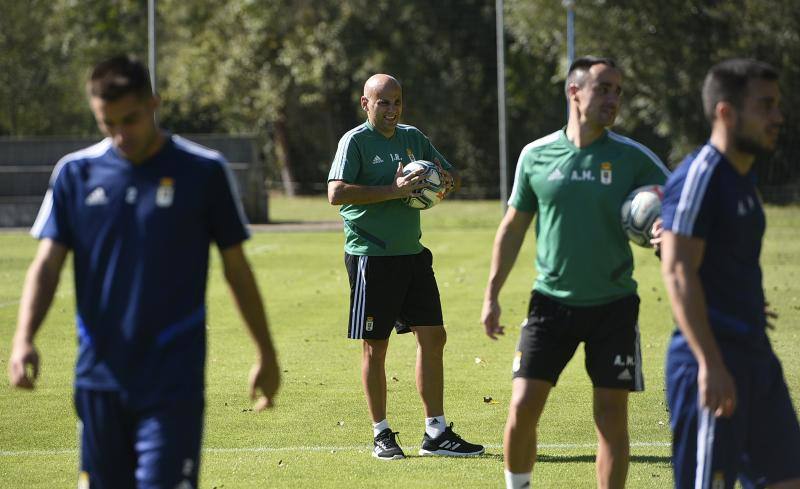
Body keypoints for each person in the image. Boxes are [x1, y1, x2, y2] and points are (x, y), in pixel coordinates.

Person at [7, 55, 280, 489]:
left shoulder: (203, 172)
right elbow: (47, 264)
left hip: (173, 380)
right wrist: (24, 338)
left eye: (130, 120)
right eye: (106, 123)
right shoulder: (75, 175)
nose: (119, 135)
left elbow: (237, 270)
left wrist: (265, 351)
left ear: (154, 103)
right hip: (98, 378)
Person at [481, 56, 670, 489]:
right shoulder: (536, 155)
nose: (613, 99)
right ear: (574, 92)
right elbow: (512, 228)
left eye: (618, 91)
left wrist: (666, 233)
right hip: (550, 303)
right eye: (604, 88)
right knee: (523, 406)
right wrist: (492, 294)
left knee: (610, 416)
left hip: (614, 306)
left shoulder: (632, 157)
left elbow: (681, 206)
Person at [327, 73, 484, 460]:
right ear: (366, 104)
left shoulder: (412, 137)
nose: (392, 109)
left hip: (411, 255)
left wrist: (442, 182)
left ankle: (436, 432)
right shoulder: (355, 141)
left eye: (397, 101)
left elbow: (452, 177)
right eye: (383, 102)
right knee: (375, 347)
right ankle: (381, 434)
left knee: (433, 337)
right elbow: (336, 192)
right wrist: (393, 192)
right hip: (371, 257)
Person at [661, 58, 800, 489]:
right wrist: (710, 363)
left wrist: (745, 299)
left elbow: (723, 261)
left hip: (756, 358)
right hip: (712, 362)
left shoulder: (743, 179)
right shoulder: (702, 174)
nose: (778, 117)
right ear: (726, 112)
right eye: (766, 106)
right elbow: (678, 269)